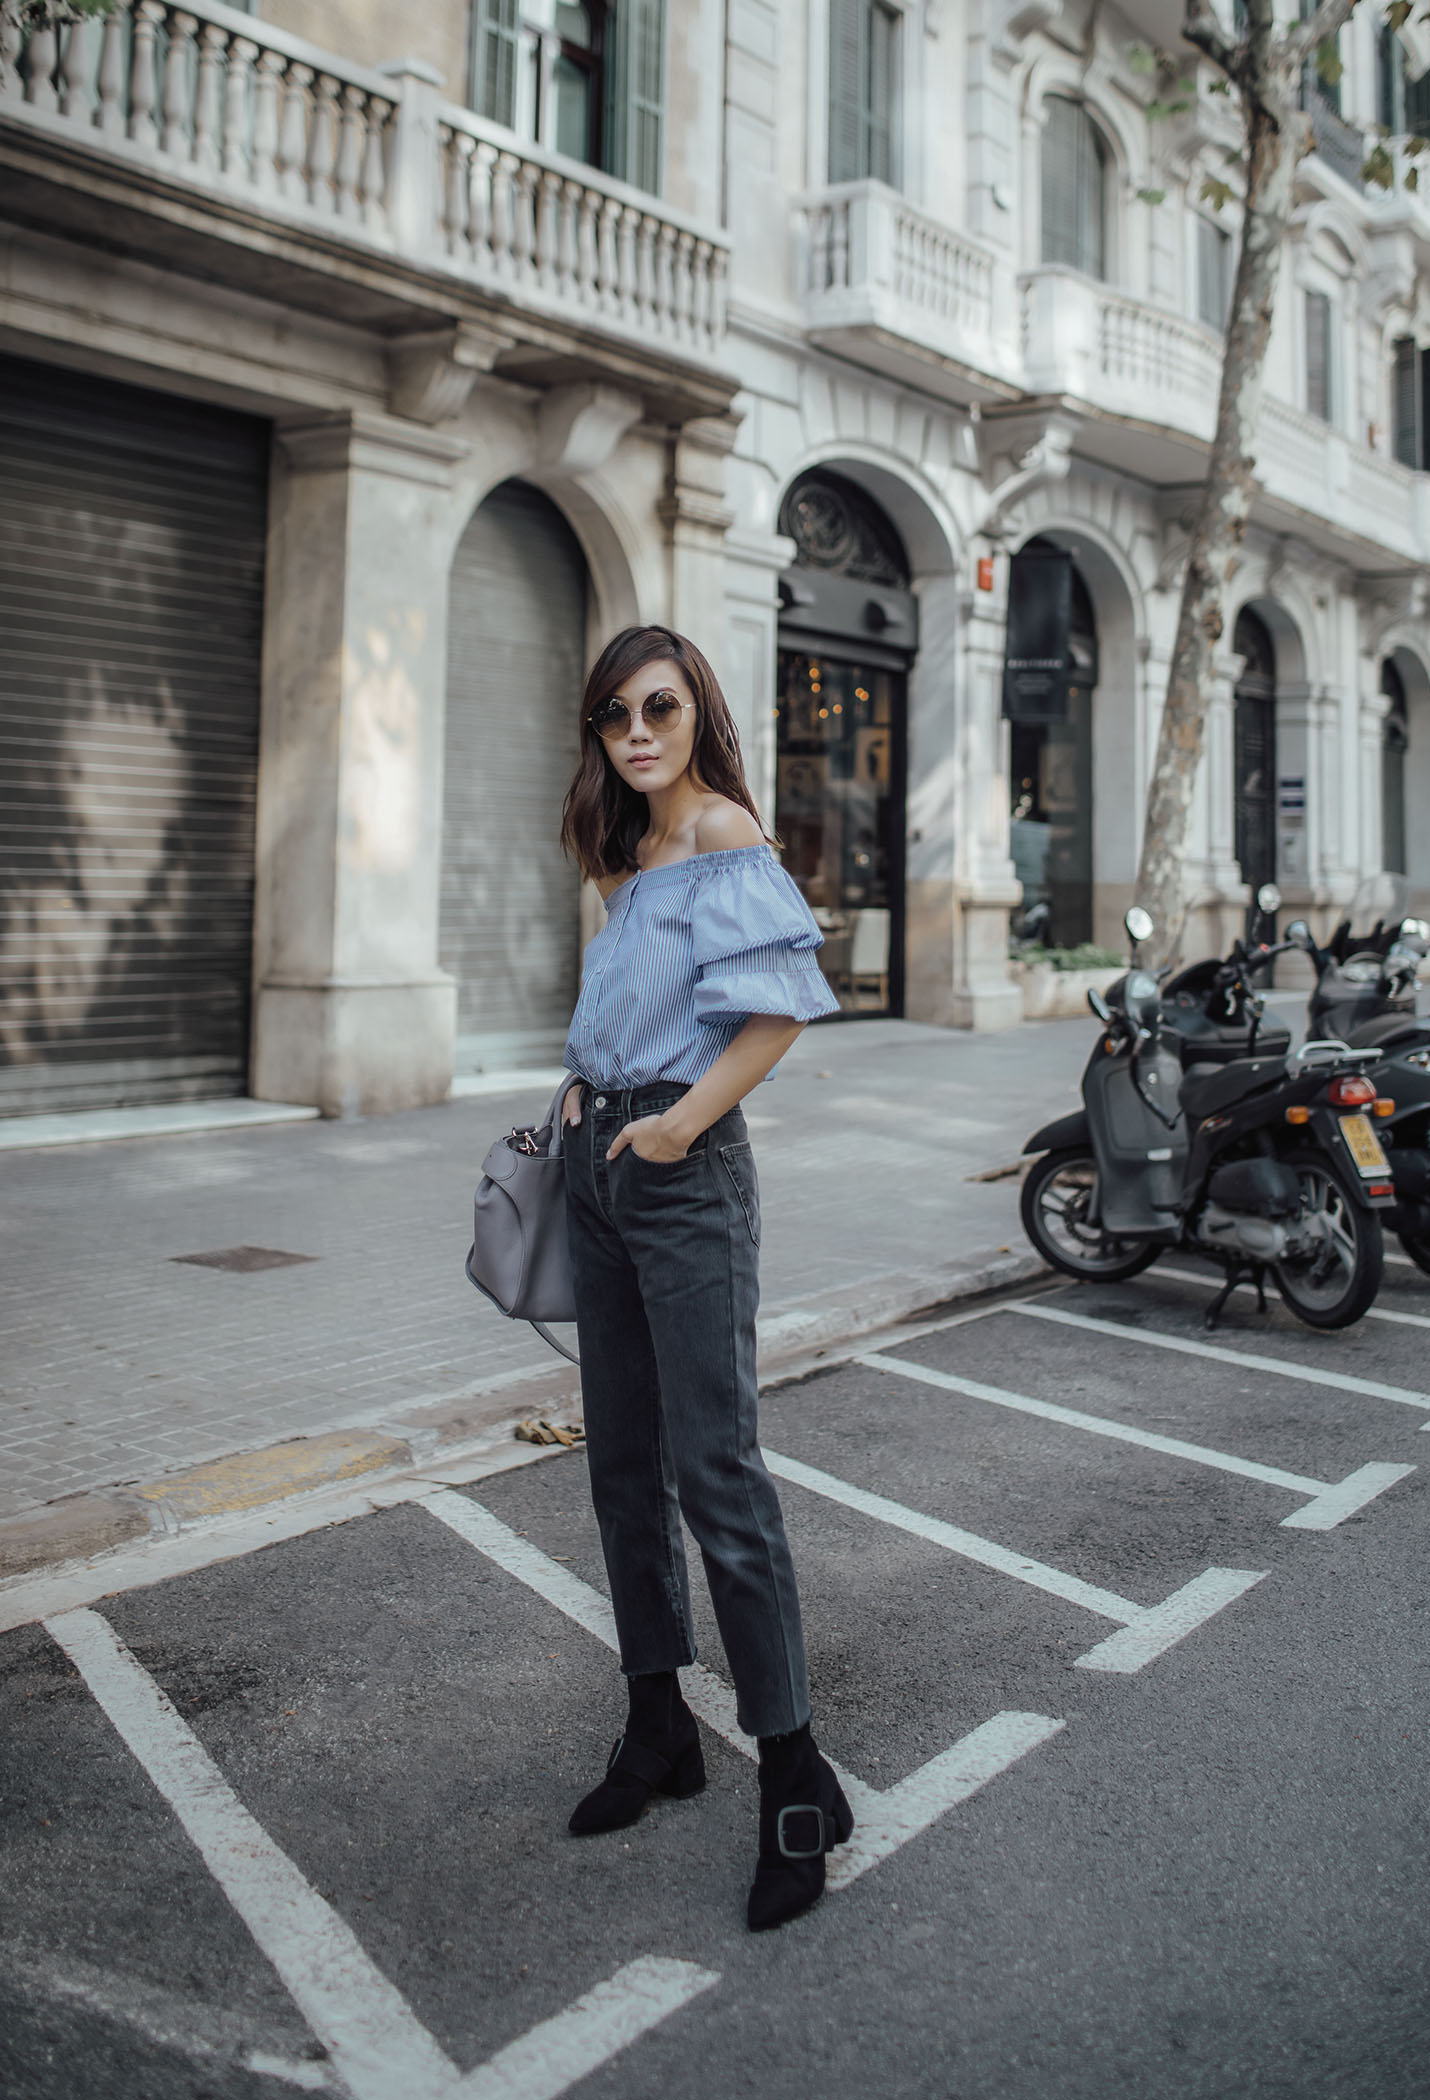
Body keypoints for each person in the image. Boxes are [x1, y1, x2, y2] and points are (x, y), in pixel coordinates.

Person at [557, 623, 851, 1931]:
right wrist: (583, 1089)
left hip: (682, 1174)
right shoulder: (629, 859)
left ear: (695, 715)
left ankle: (793, 1773)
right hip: (602, 1166)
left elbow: (777, 1009)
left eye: (658, 707)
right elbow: (627, 1012)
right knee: (620, 1461)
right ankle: (657, 1724)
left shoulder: (726, 834)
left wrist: (677, 1124)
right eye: (616, 713)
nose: (637, 732)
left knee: (716, 1470)